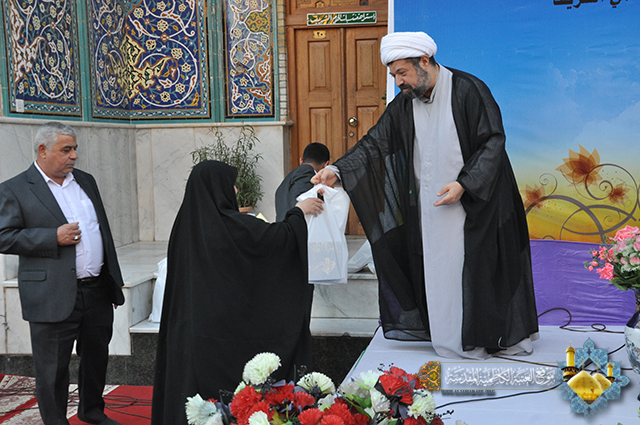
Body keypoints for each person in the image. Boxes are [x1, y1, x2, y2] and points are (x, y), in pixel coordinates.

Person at [313, 31, 539, 359]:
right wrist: (338, 170)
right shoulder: (406, 102)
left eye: (402, 73)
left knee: (483, 273)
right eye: (394, 75)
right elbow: (376, 142)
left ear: (424, 61)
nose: (398, 82)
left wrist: (464, 184)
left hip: (477, 204)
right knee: (440, 273)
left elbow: (492, 140)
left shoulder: (467, 89)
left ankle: (493, 339)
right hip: (431, 210)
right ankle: (453, 339)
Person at [152, 160, 323, 425]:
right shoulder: (230, 225)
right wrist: (298, 212)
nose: (235, 190)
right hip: (221, 335)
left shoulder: (185, 224)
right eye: (230, 184)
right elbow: (277, 239)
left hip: (191, 331)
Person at [0, 122, 125, 424]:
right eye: (66, 150)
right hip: (51, 293)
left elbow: (101, 231)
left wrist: (111, 280)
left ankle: (92, 412)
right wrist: (51, 237)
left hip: (96, 289)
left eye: (75, 149)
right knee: (53, 369)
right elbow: (3, 236)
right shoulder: (15, 188)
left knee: (96, 358)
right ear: (43, 150)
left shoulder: (85, 181)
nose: (74, 156)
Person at [275, 142, 330, 221]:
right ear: (325, 164)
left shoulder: (288, 179)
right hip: (295, 226)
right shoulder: (306, 171)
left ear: (301, 160)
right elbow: (300, 202)